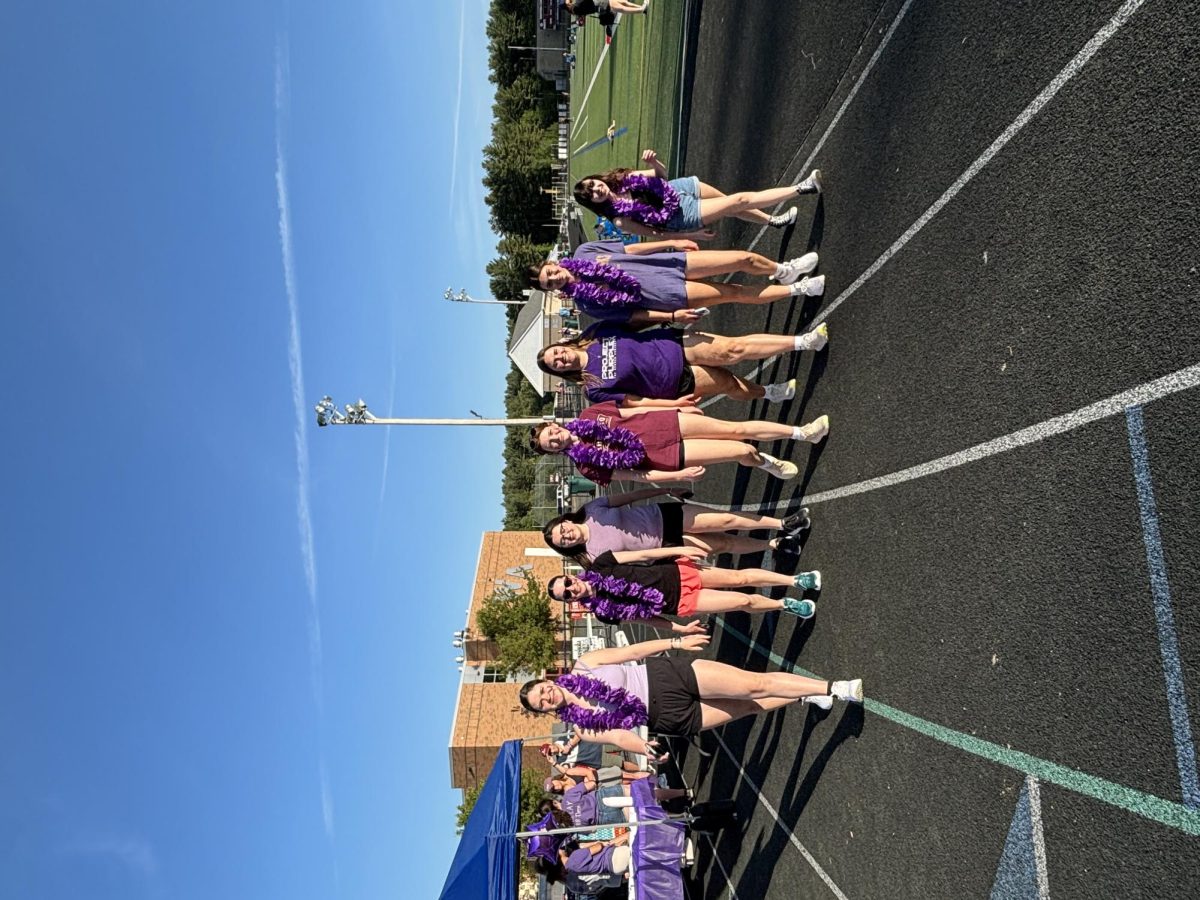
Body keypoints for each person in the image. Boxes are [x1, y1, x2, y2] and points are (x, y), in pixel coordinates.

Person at [519, 635, 864, 751]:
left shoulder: (585, 664)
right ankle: (803, 696)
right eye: (542, 703)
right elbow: (619, 738)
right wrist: (644, 747)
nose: (547, 696)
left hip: (667, 677)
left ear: (548, 681)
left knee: (751, 685)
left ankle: (834, 688)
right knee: (750, 707)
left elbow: (633, 652)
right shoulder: (581, 728)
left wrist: (676, 641)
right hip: (667, 717)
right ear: (544, 711)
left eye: (543, 690)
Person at [529, 401, 829, 486]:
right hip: (667, 455)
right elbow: (635, 476)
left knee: (735, 428)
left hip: (666, 423)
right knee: (742, 450)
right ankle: (765, 462)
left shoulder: (589, 413)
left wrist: (675, 405)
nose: (555, 439)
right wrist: (676, 476)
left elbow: (634, 409)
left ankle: (803, 433)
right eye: (551, 445)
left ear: (554, 426)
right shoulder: (586, 466)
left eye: (551, 434)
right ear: (554, 451)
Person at [533, 238, 824, 325]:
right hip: (668, 293)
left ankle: (784, 269)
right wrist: (671, 316)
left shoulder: (585, 252)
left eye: (550, 273)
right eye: (550, 284)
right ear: (552, 291)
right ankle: (798, 288)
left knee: (742, 258)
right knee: (731, 292)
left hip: (668, 263)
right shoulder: (586, 303)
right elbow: (633, 315)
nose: (555, 279)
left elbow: (630, 249)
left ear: (553, 264)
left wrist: (671, 242)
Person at [537, 321, 829, 407]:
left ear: (562, 346)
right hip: (673, 381)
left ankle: (803, 342)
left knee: (733, 348)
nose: (561, 359)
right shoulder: (592, 388)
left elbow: (637, 321)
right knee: (728, 382)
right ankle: (768, 393)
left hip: (671, 345)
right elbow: (634, 402)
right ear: (560, 372)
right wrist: (672, 406)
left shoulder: (594, 334)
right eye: (557, 365)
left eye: (557, 354)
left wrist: (673, 314)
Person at [573, 148, 821, 239]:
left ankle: (773, 221)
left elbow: (661, 176)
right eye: (592, 194)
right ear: (593, 203)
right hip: (681, 216)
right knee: (739, 201)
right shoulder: (619, 220)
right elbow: (657, 234)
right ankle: (803, 187)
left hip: (680, 188)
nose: (597, 189)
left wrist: (654, 163)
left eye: (593, 184)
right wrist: (693, 234)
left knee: (732, 203)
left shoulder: (622, 179)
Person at [547, 543, 822, 623]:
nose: (571, 589)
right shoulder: (602, 612)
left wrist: (678, 550)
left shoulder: (601, 564)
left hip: (676, 574)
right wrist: (677, 632)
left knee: (740, 578)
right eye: (566, 595)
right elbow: (645, 620)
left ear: (572, 576)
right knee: (742, 600)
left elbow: (643, 555)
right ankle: (783, 604)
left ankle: (795, 579)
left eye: (567, 583)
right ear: (570, 602)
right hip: (678, 603)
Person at [541, 489, 812, 564]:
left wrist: (667, 488)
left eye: (561, 530)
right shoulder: (593, 556)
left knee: (726, 520)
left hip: (664, 516)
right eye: (562, 541)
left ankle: (783, 523)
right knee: (722, 544)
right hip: (666, 545)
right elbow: (637, 560)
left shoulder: (592, 510)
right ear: (566, 547)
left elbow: (631, 496)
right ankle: (773, 544)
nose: (566, 536)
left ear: (565, 521)